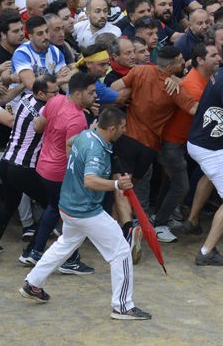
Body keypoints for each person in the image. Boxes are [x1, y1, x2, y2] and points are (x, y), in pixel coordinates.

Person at [20, 105, 151, 320]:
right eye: (122, 127)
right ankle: (123, 307)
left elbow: (70, 144)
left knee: (64, 244)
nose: (124, 131)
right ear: (111, 129)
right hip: (86, 211)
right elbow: (90, 181)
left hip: (68, 205)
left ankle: (33, 284)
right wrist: (117, 185)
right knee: (121, 251)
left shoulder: (86, 134)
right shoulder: (96, 148)